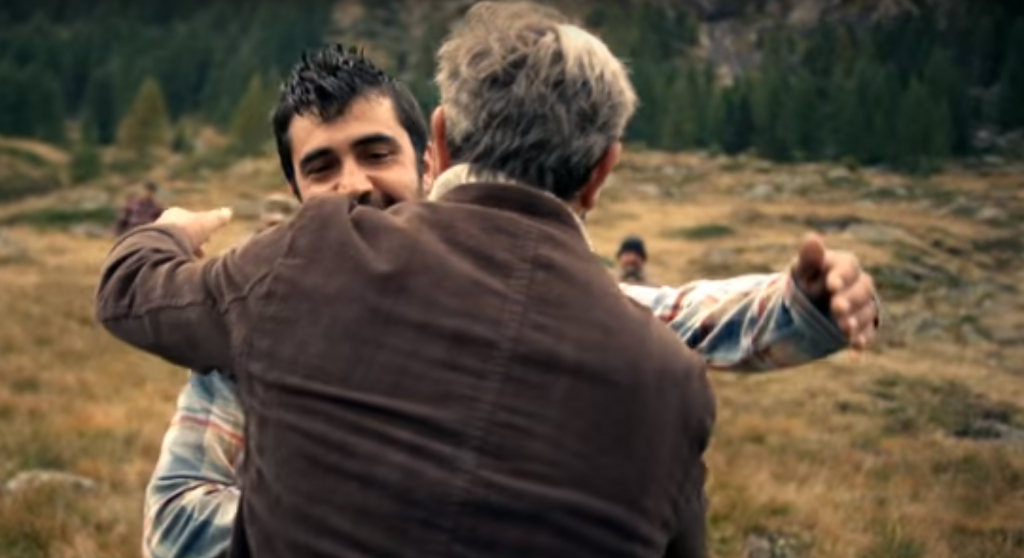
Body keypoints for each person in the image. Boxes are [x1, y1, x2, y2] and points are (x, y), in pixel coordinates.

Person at [98, 8, 876, 558]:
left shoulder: (293, 273)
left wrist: (793, 306)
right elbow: (173, 529)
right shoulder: (270, 298)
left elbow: (662, 312)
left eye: (375, 153)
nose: (353, 186)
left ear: (431, 151)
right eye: (321, 167)